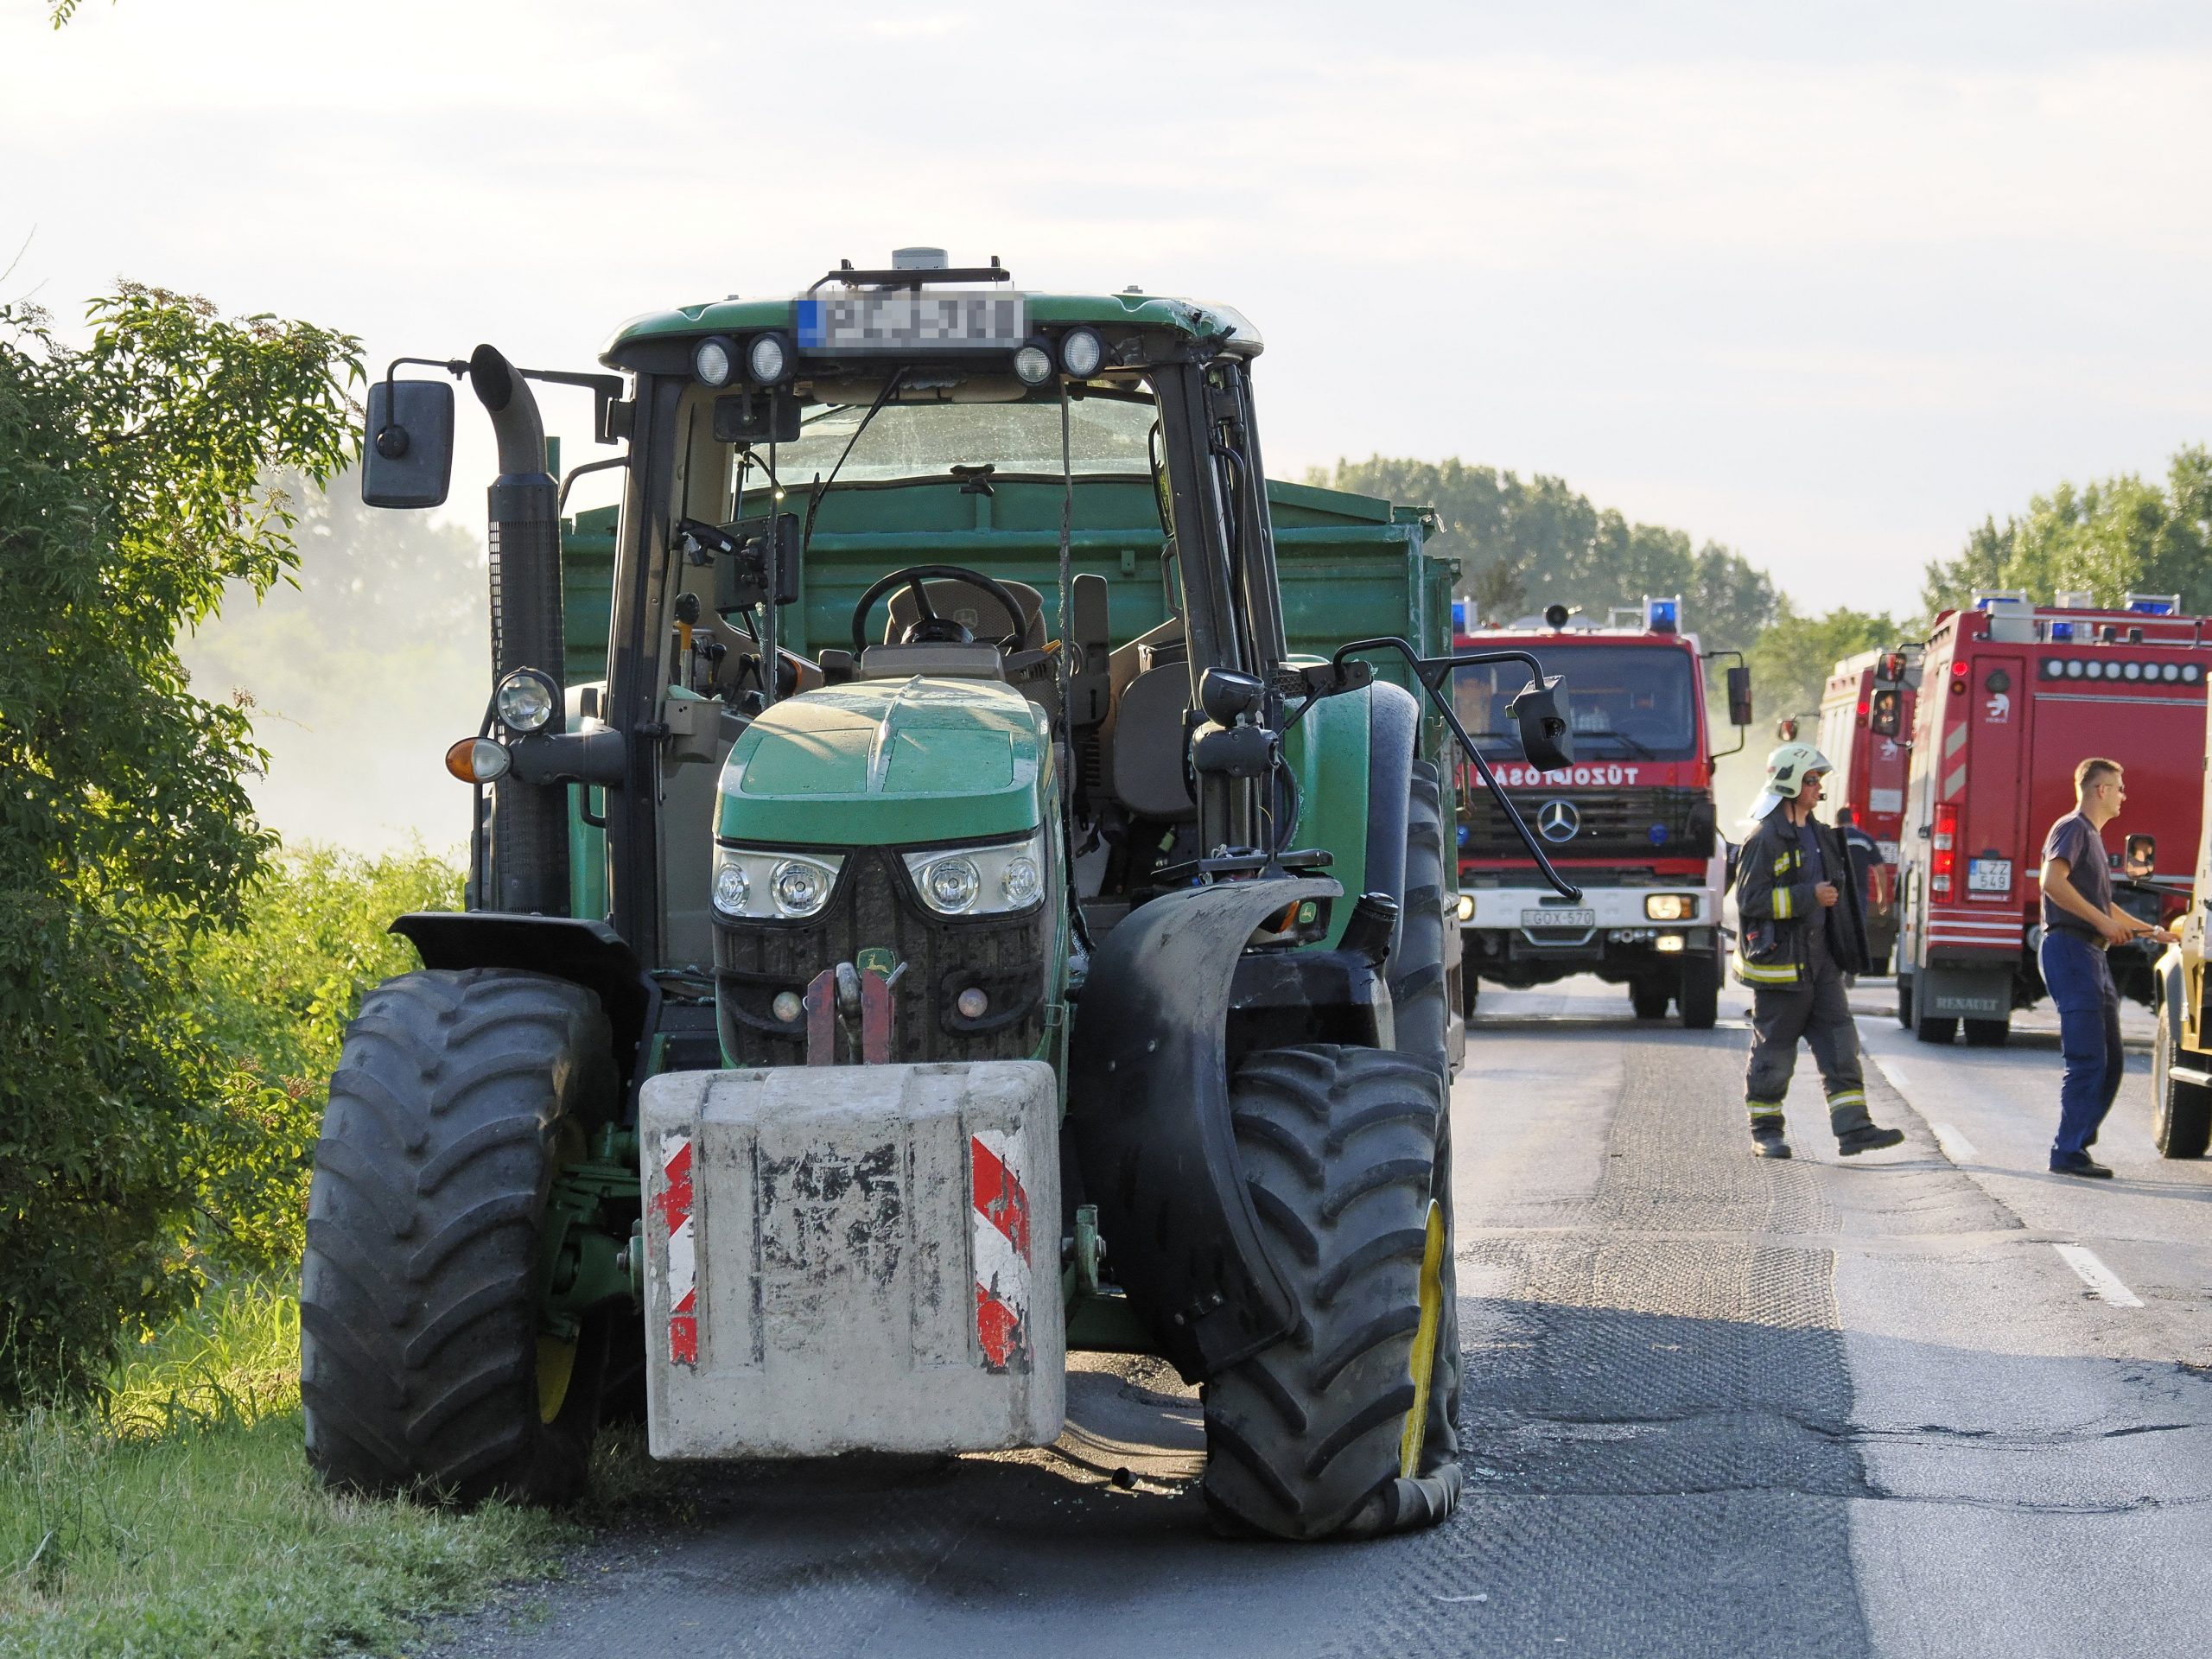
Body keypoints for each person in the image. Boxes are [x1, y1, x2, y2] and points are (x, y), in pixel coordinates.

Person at [1732, 742, 1907, 1160]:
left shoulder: (1820, 834)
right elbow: (1750, 900)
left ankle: (1854, 1129)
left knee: (1841, 1043)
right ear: (1790, 782)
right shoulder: (1765, 837)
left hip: (1822, 964)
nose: (1818, 789)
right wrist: (1807, 895)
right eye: (1811, 781)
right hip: (1780, 967)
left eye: (1819, 781)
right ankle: (1767, 1132)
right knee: (1774, 1053)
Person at [2038, 758, 2176, 1179]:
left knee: (2111, 1061)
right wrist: (2103, 924)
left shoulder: (2092, 837)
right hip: (2070, 950)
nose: (2124, 795)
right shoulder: (2073, 828)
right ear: (2099, 790)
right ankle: (2067, 1151)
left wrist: (2150, 930)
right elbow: (2051, 882)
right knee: (2088, 1059)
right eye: (2118, 787)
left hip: (2091, 956)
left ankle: (2078, 1144)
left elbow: (2104, 905)